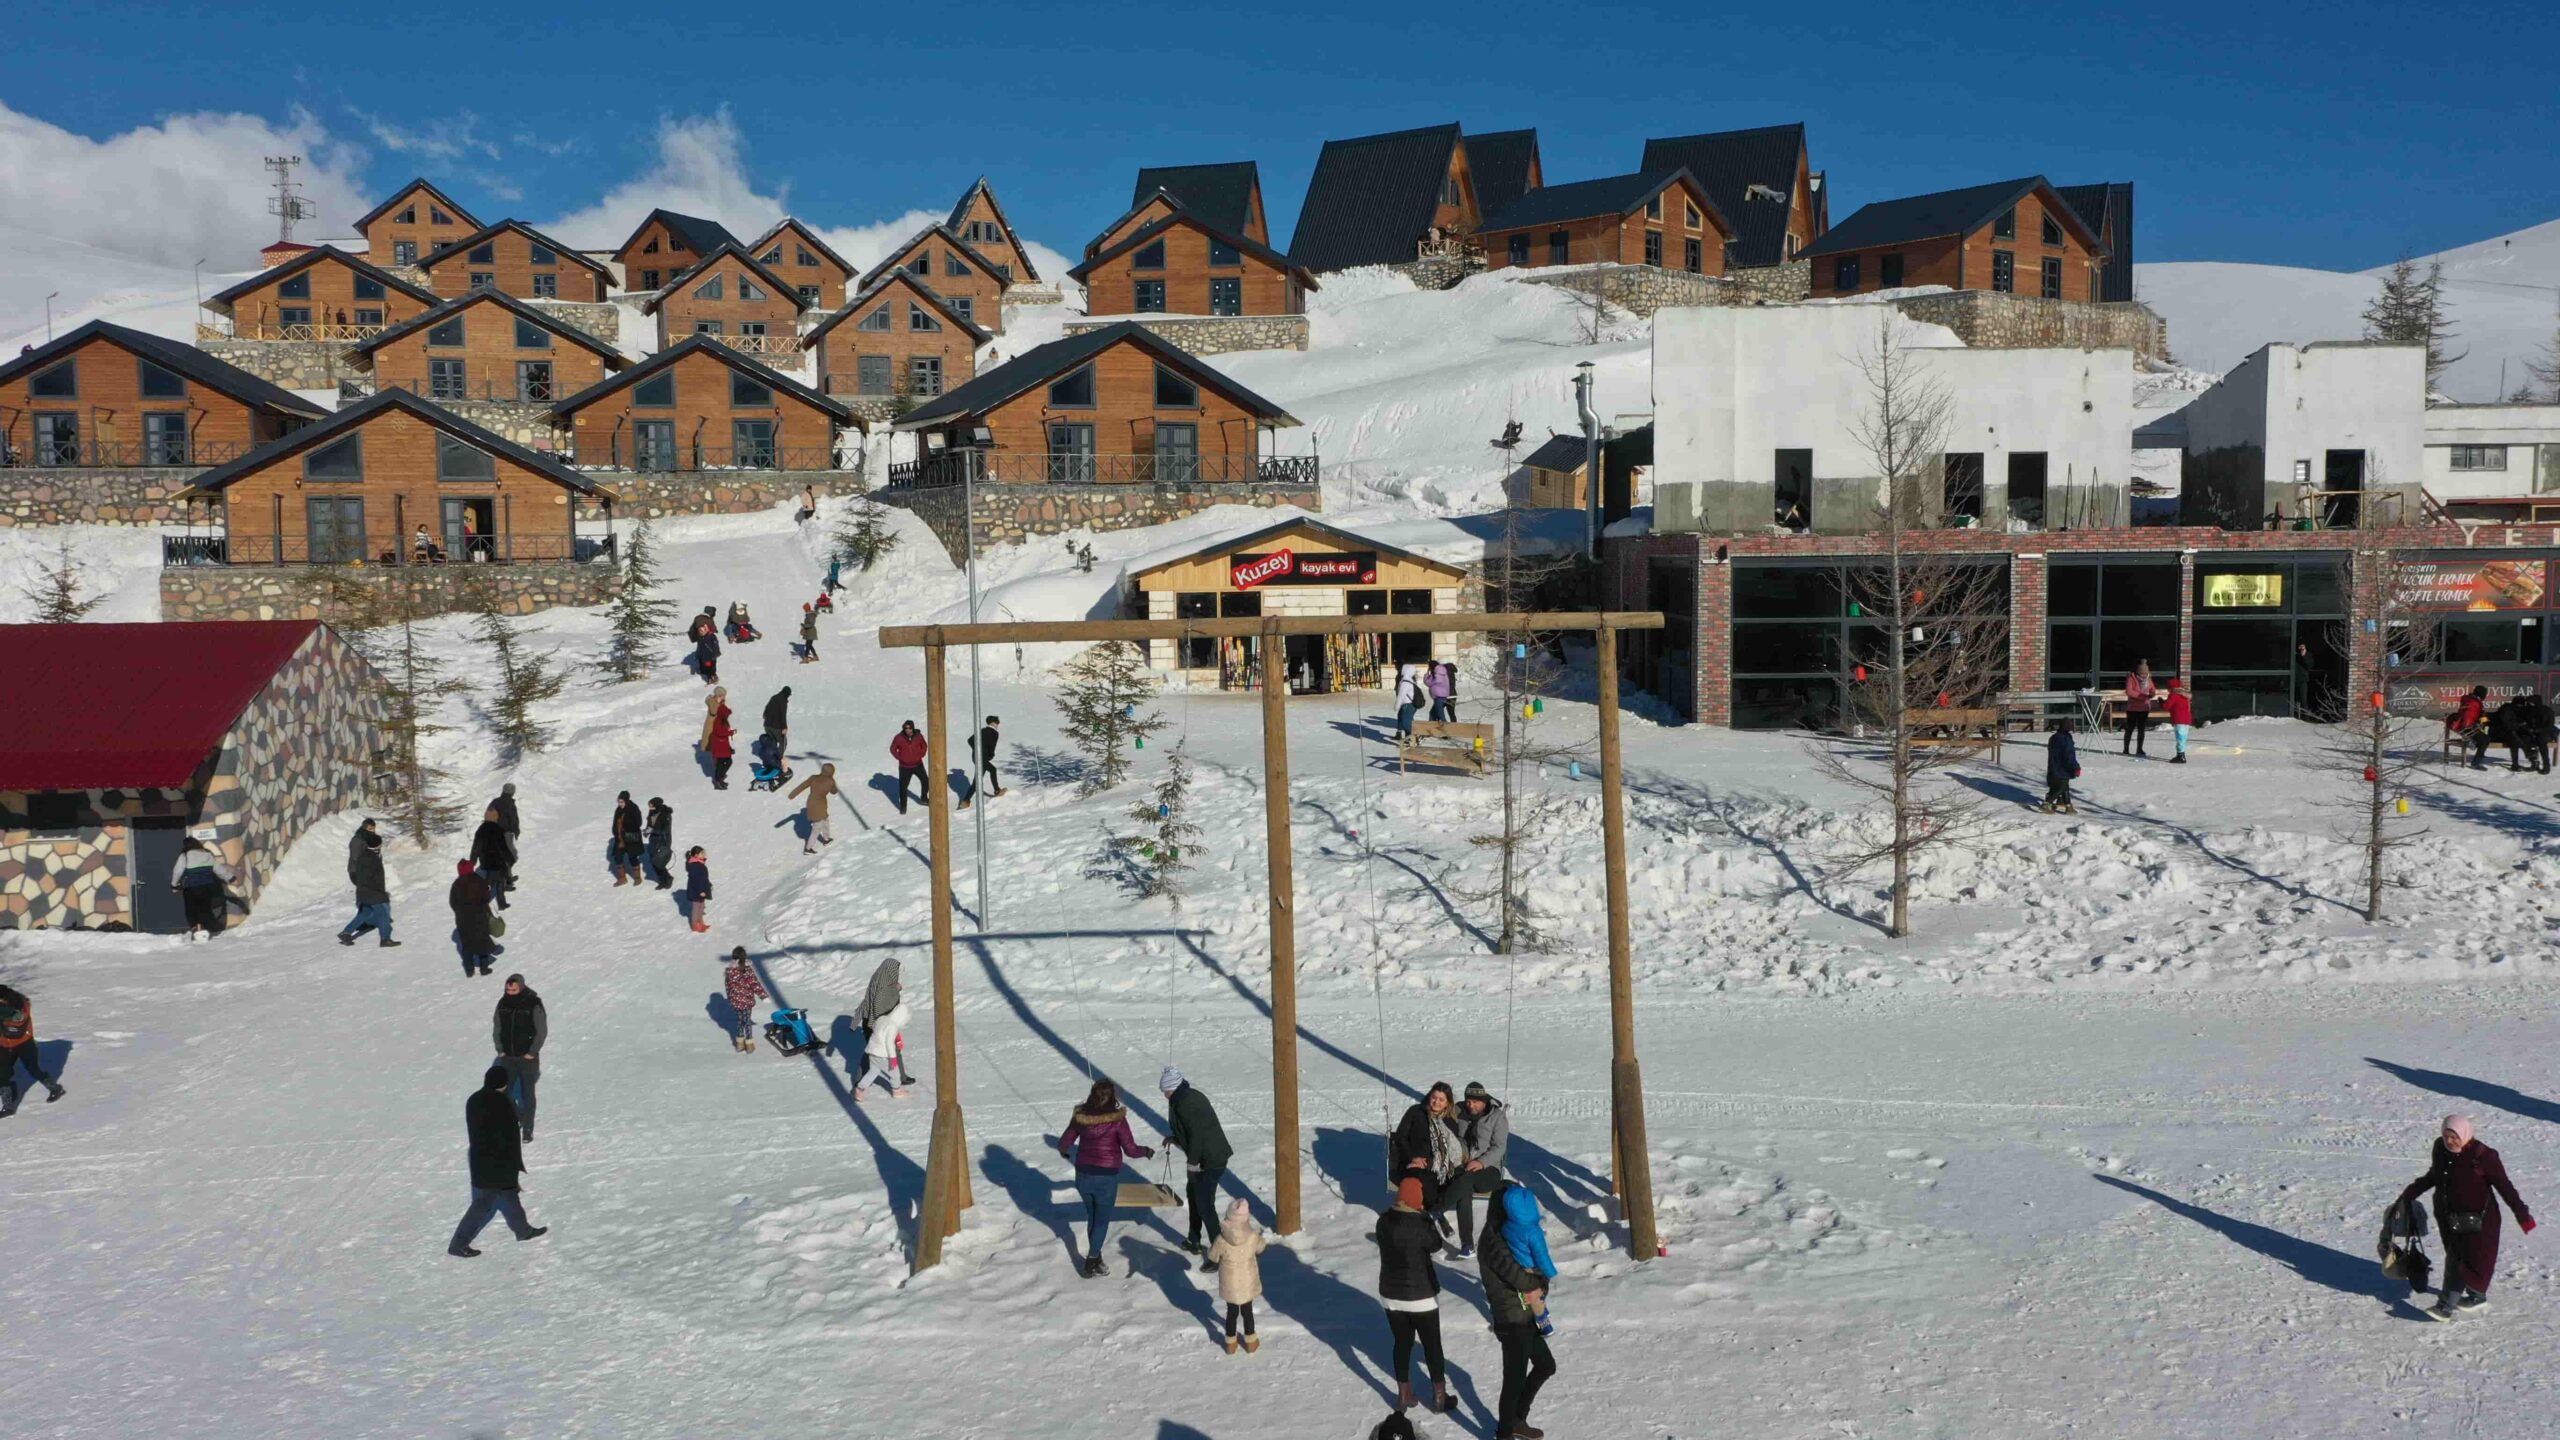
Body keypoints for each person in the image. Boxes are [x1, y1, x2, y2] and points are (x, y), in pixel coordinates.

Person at [2400, 1114, 2535, 1319]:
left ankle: (2445, 1307)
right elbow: (2434, 1176)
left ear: (2465, 1134)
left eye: (2454, 1136)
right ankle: (2476, 1296)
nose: (2449, 1141)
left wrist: (2523, 1215)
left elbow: (2505, 1187)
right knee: (2463, 1260)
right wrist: (2408, 1194)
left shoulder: (2483, 1156)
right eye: (2446, 1136)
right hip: (2449, 1218)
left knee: (2459, 1260)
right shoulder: (2440, 1149)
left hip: (2480, 1221)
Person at [1481, 1180, 1560, 1439]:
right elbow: (1520, 1278)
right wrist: (1539, 1281)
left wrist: (1541, 1283)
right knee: (1513, 1382)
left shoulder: (1512, 1233)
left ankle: (1517, 1420)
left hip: (1526, 1315)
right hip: (1511, 1319)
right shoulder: (1493, 1241)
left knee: (1545, 1365)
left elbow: (1534, 1268)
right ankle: (1505, 1433)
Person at [447, 1065, 547, 1257]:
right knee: (482, 1205)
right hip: (499, 1164)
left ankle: (523, 1230)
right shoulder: (502, 1103)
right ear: (502, 1084)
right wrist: (514, 1165)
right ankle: (458, 1244)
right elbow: (507, 1137)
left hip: (480, 1162)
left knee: (510, 1196)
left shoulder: (474, 1100)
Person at [1375, 1175, 1454, 1414]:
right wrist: (1427, 1218)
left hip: (1391, 1295)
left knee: (1401, 1343)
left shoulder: (1383, 1221)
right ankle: (1439, 1396)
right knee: (1432, 1346)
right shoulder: (1421, 1224)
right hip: (1421, 1297)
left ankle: (1403, 1394)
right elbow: (1436, 1246)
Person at [1060, 1079, 1155, 1276]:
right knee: (1101, 1220)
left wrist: (1064, 1151)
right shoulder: (1117, 1120)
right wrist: (1145, 1151)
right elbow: (1130, 1149)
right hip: (1105, 1178)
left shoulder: (1081, 1117)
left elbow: (1065, 1141)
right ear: (1112, 1097)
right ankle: (1092, 1259)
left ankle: (1097, 1258)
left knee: (1093, 1217)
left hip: (1083, 1175)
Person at [1161, 1065, 1234, 1261]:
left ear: (1172, 1087)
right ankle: (1194, 1239)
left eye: (1165, 1091)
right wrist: (1174, 1139)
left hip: (1210, 1159)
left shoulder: (1186, 1102)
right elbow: (1189, 1132)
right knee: (1193, 1195)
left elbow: (1197, 1136)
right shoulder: (1183, 1097)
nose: (1164, 1095)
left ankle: (1220, 1254)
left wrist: (1193, 1163)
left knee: (1204, 1205)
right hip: (1204, 1157)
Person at [1441, 1081, 1510, 1258]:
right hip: (1464, 1165)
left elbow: (1499, 1147)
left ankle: (1435, 1210)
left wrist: (1481, 1162)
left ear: (1484, 1100)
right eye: (1468, 1101)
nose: (1471, 1105)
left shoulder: (1497, 1117)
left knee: (1467, 1180)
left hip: (1488, 1170)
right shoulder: (1459, 1111)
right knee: (1464, 1190)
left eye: (1475, 1102)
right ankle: (1467, 1245)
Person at [1388, 1081, 1464, 1215]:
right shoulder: (1415, 1112)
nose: (1436, 1102)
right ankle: (1435, 1212)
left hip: (1437, 1166)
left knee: (1433, 1178)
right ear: (1429, 1096)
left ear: (1447, 1103)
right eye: (1434, 1098)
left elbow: (1450, 1150)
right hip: (1411, 1162)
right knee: (1416, 1174)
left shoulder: (1449, 1122)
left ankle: (1430, 1212)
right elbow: (1401, 1137)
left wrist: (1430, 1163)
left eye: (1441, 1100)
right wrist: (1413, 1158)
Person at [1207, 1198, 1267, 1355]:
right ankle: (1251, 1342)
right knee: (1247, 1311)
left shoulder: (1221, 1239)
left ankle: (1231, 1344)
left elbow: (1213, 1257)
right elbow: (1261, 1247)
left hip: (1230, 1284)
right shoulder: (1252, 1236)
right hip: (1247, 1281)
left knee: (1231, 1313)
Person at [492, 973, 546, 1142]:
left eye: (513, 990)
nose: (510, 992)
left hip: (528, 1058)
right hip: (508, 1057)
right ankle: (519, 1117)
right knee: (504, 1093)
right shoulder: (502, 1004)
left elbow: (541, 1030)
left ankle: (528, 1129)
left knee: (527, 1094)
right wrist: (500, 1049)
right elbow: (497, 1027)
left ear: (521, 987)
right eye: (508, 989)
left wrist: (532, 1051)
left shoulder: (533, 1003)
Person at [0, 984, 66, 1115]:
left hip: (18, 1044)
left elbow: (15, 1018)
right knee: (5, 1073)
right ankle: (8, 1105)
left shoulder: (15, 1009)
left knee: (31, 1069)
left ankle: (55, 1089)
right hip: (14, 1043)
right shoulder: (19, 1003)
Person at [337, 819, 399, 947]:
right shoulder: (362, 848)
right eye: (370, 828)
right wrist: (377, 889)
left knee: (367, 911)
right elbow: (359, 864)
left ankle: (346, 932)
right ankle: (385, 939)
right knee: (382, 911)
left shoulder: (368, 852)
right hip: (367, 884)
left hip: (366, 885)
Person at [172, 837, 238, 938]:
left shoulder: (185, 856)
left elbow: (177, 871)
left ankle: (196, 928)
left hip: (191, 888)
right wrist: (230, 877)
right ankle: (205, 928)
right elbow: (219, 869)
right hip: (206, 887)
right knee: (205, 909)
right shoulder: (207, 854)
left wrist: (174, 885)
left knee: (191, 909)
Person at [853, 996, 910, 1101]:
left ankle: (860, 1089)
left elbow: (874, 1026)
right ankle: (897, 1090)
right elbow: (889, 1043)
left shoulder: (882, 1018)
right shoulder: (892, 1027)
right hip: (883, 1055)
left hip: (872, 1051)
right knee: (895, 1072)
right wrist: (893, 1058)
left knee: (873, 1071)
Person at [450, 860, 498, 976]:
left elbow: (453, 902)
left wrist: (460, 912)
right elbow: (486, 896)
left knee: (467, 945)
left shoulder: (456, 884)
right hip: (479, 917)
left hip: (463, 920)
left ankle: (469, 970)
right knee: (483, 942)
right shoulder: (478, 880)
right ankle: (484, 968)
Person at [784, 762, 843, 854]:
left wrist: (792, 795)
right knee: (817, 827)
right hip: (817, 805)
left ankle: (826, 839)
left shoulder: (813, 778)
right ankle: (808, 848)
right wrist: (833, 784)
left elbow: (802, 786)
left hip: (814, 803)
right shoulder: (831, 781)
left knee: (825, 821)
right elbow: (834, 792)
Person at [470, 803, 516, 909]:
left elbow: (475, 846)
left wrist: (473, 860)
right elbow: (503, 848)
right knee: (499, 883)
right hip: (497, 863)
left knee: (487, 882)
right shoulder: (498, 830)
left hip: (485, 862)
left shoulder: (480, 830)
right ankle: (501, 904)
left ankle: (481, 901)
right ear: (496, 818)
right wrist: (510, 859)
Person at [723, 946, 766, 1053]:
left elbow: (728, 987)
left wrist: (731, 998)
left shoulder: (729, 971)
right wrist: (763, 996)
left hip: (736, 1001)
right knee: (747, 1022)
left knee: (739, 1021)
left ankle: (739, 1044)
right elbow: (754, 983)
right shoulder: (747, 969)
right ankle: (749, 1044)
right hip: (746, 1000)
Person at [960, 715, 1004, 810]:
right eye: (997, 723)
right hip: (983, 758)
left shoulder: (982, 730)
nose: (997, 725)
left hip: (975, 757)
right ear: (993, 723)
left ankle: (966, 800)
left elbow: (970, 740)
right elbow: (992, 747)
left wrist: (977, 750)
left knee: (991, 770)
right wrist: (989, 755)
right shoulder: (994, 733)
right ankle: (965, 800)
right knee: (978, 780)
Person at [2040, 718, 2081, 816]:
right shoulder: (2066, 739)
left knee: (2064, 786)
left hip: (2053, 766)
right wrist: (2075, 767)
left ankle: (2066, 804)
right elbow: (2069, 755)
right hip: (2063, 767)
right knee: (2061, 786)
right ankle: (2047, 803)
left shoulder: (2054, 737)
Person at [890, 721, 929, 815]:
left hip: (918, 764)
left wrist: (921, 754)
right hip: (904, 767)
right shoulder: (899, 737)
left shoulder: (919, 736)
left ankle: (924, 798)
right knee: (903, 787)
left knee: (925, 781)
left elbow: (924, 746)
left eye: (909, 728)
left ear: (913, 728)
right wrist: (900, 757)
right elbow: (893, 749)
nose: (907, 730)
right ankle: (903, 807)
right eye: (906, 728)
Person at [606, 791, 645, 885]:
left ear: (626, 801)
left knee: (632, 857)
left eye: (622, 802)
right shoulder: (618, 810)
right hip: (620, 838)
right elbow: (615, 822)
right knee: (618, 857)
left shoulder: (633, 808)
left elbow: (638, 823)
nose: (620, 804)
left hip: (631, 837)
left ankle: (637, 877)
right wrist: (616, 832)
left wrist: (626, 825)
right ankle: (622, 878)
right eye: (619, 802)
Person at [2121, 659, 2158, 758]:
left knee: (2142, 729)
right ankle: (2126, 749)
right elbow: (2129, 692)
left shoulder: (2149, 679)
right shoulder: (2131, 678)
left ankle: (2139, 749)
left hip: (2144, 708)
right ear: (2138, 672)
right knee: (2130, 728)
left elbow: (2152, 689)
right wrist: (2143, 696)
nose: (2144, 675)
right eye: (2142, 673)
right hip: (2133, 708)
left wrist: (2152, 693)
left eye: (2145, 673)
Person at [2449, 685, 2490, 770]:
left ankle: (2474, 742)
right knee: (2485, 739)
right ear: (2482, 694)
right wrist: (2481, 723)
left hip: (2462, 726)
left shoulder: (2468, 699)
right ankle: (2476, 762)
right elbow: (2470, 716)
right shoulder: (2475, 703)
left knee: (2482, 738)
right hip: (2467, 727)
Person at [645, 798, 675, 889]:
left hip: (663, 840)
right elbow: (650, 825)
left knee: (659, 863)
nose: (650, 808)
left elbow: (665, 830)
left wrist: (652, 830)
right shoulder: (652, 813)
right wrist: (646, 831)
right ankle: (662, 880)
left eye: (651, 806)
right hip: (653, 840)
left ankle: (668, 878)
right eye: (649, 806)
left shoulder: (665, 815)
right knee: (653, 862)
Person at [2163, 678, 2194, 765]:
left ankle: (2180, 756)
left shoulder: (2174, 695)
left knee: (2180, 738)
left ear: (2171, 688)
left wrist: (2161, 702)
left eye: (2168, 688)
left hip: (2178, 719)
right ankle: (2181, 754)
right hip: (2186, 719)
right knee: (2183, 738)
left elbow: (2166, 706)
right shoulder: (2185, 695)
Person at [684, 846, 712, 933]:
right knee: (696, 908)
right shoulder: (695, 866)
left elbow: (703, 877)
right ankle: (695, 925)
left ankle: (700, 922)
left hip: (701, 889)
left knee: (701, 906)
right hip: (697, 891)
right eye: (702, 853)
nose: (704, 855)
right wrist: (701, 891)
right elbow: (696, 880)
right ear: (696, 855)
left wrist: (708, 884)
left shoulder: (699, 863)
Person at [1394, 663, 1424, 739]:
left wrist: (1397, 705)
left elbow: (1401, 695)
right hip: (1409, 704)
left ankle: (1417, 735)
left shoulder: (1405, 682)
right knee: (1403, 719)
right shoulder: (1409, 680)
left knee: (1406, 722)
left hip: (1407, 705)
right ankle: (1407, 737)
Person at [708, 715, 736, 791]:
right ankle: (718, 781)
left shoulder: (723, 720)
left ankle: (720, 778)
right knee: (721, 764)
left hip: (723, 746)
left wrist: (729, 748)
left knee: (728, 761)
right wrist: (730, 732)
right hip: (719, 747)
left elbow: (725, 737)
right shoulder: (718, 721)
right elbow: (720, 733)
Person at [699, 686, 730, 755]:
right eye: (722, 696)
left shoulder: (720, 702)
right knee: (711, 744)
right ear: (718, 695)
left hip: (718, 726)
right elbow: (714, 711)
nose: (724, 698)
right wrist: (717, 703)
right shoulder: (712, 701)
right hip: (711, 727)